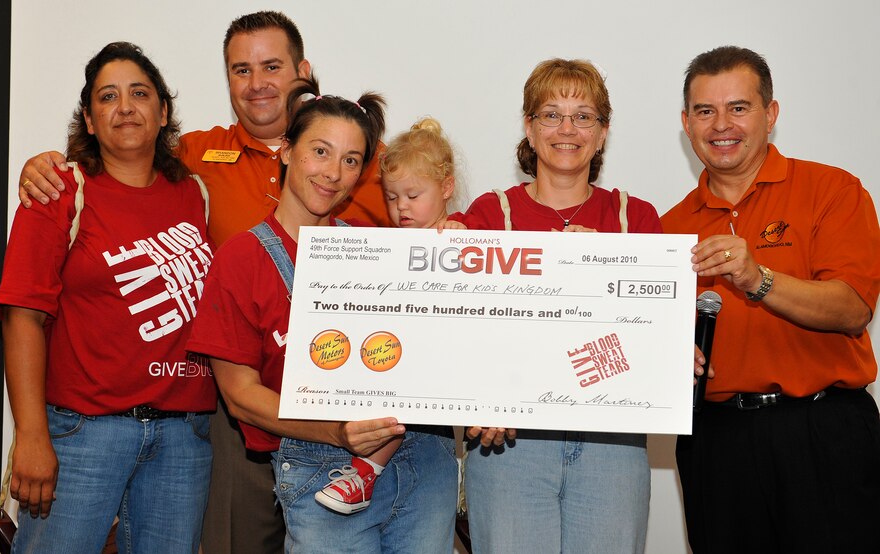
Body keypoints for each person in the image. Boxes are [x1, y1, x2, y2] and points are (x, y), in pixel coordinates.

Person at [16, 12, 391, 553]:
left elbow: (421, 226)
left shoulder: (363, 163)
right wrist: (42, 165)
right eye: (240, 69)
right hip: (233, 406)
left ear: (303, 72)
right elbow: (125, 154)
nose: (257, 82)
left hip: (336, 404)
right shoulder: (192, 159)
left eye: (271, 66)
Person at [186, 77, 458, 552]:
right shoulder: (240, 260)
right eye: (321, 152)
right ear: (287, 151)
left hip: (422, 465)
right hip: (321, 469)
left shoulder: (379, 248)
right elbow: (241, 397)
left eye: (350, 160)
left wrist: (456, 247)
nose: (333, 172)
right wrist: (335, 431)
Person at [0, 42, 215, 554]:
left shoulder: (195, 194)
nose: (125, 107)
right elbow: (22, 318)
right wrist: (30, 436)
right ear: (90, 121)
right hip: (83, 435)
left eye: (140, 93)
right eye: (107, 97)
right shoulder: (59, 191)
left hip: (184, 439)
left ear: (163, 112)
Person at [662, 45, 880, 554]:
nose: (722, 125)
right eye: (704, 111)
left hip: (822, 431)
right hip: (716, 442)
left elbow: (853, 308)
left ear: (771, 114)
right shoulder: (670, 228)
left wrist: (758, 278)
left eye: (739, 107)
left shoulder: (832, 190)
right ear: (686, 123)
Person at [458, 59, 660, 553]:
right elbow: (458, 332)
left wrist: (609, 264)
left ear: (603, 131)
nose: (567, 129)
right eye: (550, 114)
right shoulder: (487, 215)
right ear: (529, 128)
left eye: (583, 116)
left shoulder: (637, 219)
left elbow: (656, 334)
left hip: (612, 439)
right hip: (510, 442)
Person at [313, 116, 462, 515]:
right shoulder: (387, 244)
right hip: (386, 361)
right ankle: (362, 473)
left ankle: (364, 474)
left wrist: (462, 237)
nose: (401, 208)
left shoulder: (462, 234)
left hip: (440, 370)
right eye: (392, 198)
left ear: (446, 188)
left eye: (413, 195)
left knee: (400, 386)